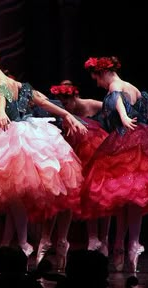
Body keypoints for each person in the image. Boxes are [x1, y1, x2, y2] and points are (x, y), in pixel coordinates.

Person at [0, 49, 87, 271]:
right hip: (29, 133)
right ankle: (35, 241)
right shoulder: (20, 85)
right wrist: (66, 115)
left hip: (13, 135)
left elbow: (2, 95)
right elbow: (42, 101)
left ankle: (24, 243)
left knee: (14, 194)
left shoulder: (2, 83)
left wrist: (2, 112)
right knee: (19, 196)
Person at [82, 56, 148, 272]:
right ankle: (128, 245)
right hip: (144, 142)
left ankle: (125, 245)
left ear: (102, 73)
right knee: (130, 199)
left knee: (126, 198)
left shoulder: (114, 86)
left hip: (125, 142)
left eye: (96, 79)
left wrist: (122, 117)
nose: (97, 84)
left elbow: (117, 98)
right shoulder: (133, 87)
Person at [44, 80, 110, 259]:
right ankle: (92, 238)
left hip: (96, 149)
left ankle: (104, 239)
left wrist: (145, 115)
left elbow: (115, 108)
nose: (65, 106)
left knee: (102, 194)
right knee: (84, 194)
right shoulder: (62, 109)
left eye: (66, 101)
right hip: (75, 152)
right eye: (61, 102)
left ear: (75, 96)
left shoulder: (91, 104)